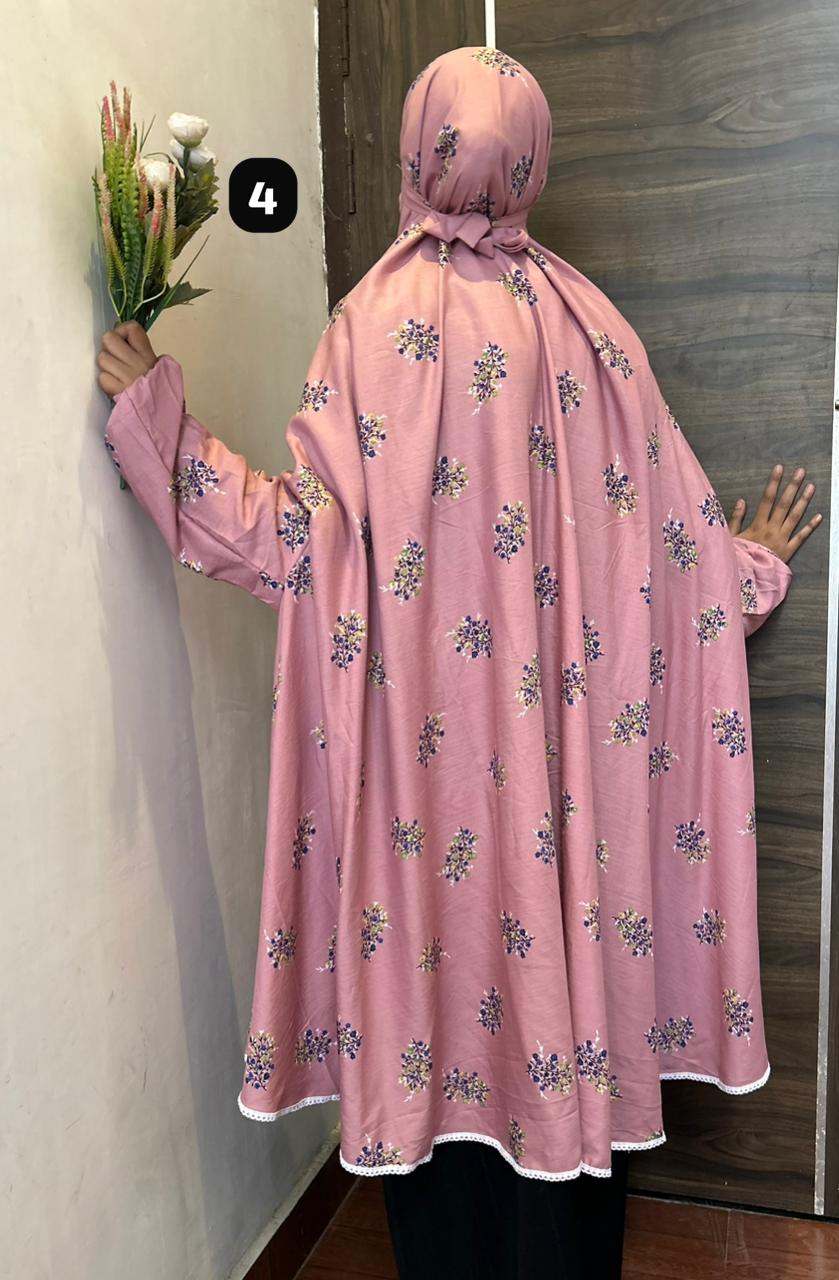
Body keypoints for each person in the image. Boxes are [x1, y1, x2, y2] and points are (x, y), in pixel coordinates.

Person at [97, 45, 821, 1279]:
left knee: (433, 1037)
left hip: (425, 808)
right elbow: (664, 562)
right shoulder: (592, 332)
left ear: (417, 144)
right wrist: (743, 564)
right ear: (528, 162)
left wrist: (161, 436)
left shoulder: (368, 327)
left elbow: (297, 546)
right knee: (565, 1041)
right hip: (565, 813)